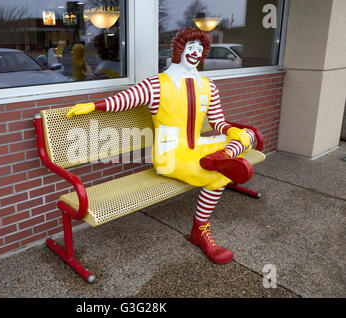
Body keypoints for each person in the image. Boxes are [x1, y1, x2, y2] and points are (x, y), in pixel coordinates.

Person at [66, 27, 257, 265]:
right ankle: (200, 231)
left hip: (198, 147)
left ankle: (225, 155)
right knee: (217, 177)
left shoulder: (208, 86)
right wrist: (94, 106)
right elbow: (125, 99)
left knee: (248, 134)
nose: (196, 53)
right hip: (171, 155)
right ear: (179, 50)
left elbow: (218, 122)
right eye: (191, 48)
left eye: (200, 49)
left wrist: (232, 131)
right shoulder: (157, 85)